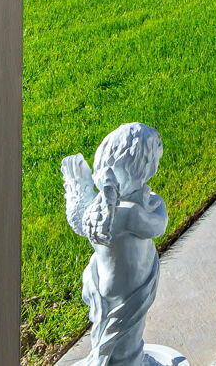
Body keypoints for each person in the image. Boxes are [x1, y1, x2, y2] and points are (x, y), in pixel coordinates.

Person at [62, 122, 170, 365]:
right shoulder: (131, 213)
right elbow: (158, 226)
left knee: (110, 335)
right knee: (126, 342)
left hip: (105, 280)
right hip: (131, 284)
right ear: (145, 165)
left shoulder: (100, 208)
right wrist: (156, 204)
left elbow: (80, 222)